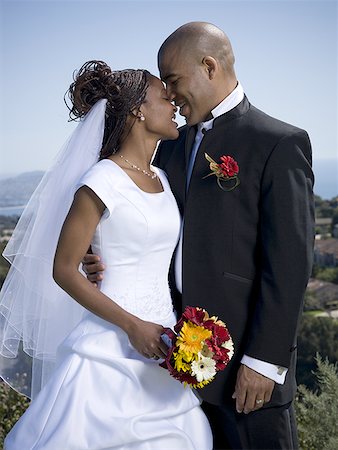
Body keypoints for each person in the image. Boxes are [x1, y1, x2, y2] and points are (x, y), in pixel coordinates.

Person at [85, 23, 315, 449]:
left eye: (174, 80)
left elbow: (290, 264)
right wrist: (96, 254)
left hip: (248, 375)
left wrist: (263, 362)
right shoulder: (168, 146)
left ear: (209, 66)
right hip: (176, 371)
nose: (169, 96)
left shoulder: (278, 143)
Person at [1, 60, 212, 449]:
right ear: (138, 110)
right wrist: (132, 326)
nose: (175, 105)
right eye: (165, 98)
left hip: (165, 341)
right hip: (112, 341)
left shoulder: (162, 177)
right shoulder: (100, 180)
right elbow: (64, 270)